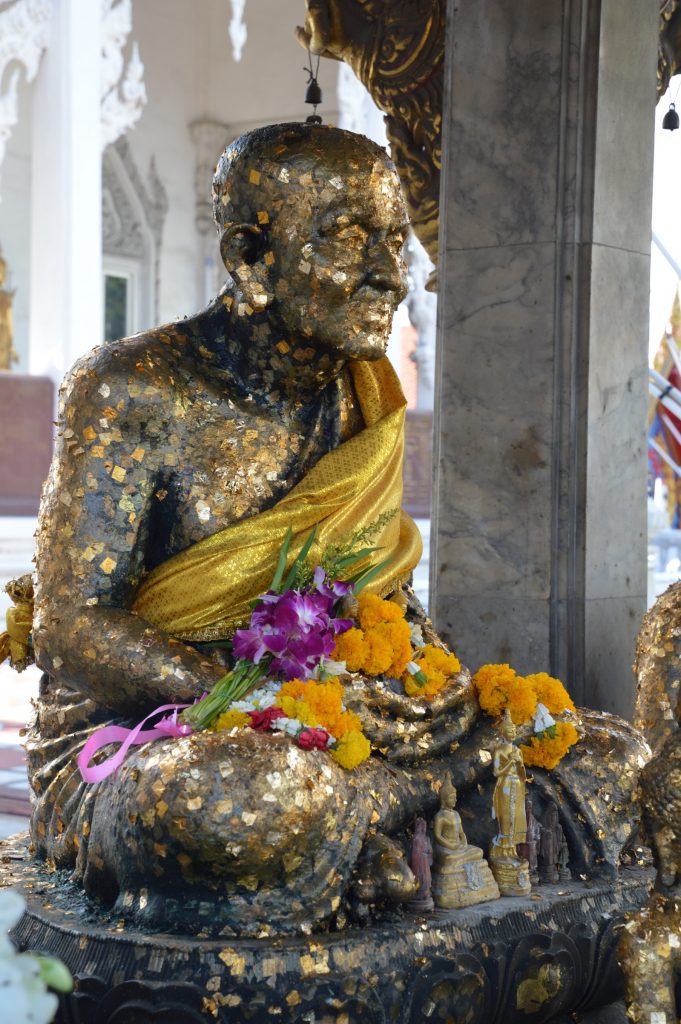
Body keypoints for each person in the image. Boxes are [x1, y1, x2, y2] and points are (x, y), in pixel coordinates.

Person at [23, 121, 647, 937]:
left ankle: (376, 819)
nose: (390, 276)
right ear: (250, 258)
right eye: (348, 240)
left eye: (393, 241)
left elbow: (376, 604)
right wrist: (258, 703)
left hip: (341, 714)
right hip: (158, 725)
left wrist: (422, 698)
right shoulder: (133, 389)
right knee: (234, 804)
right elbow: (71, 628)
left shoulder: (363, 393)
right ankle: (387, 823)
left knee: (611, 759)